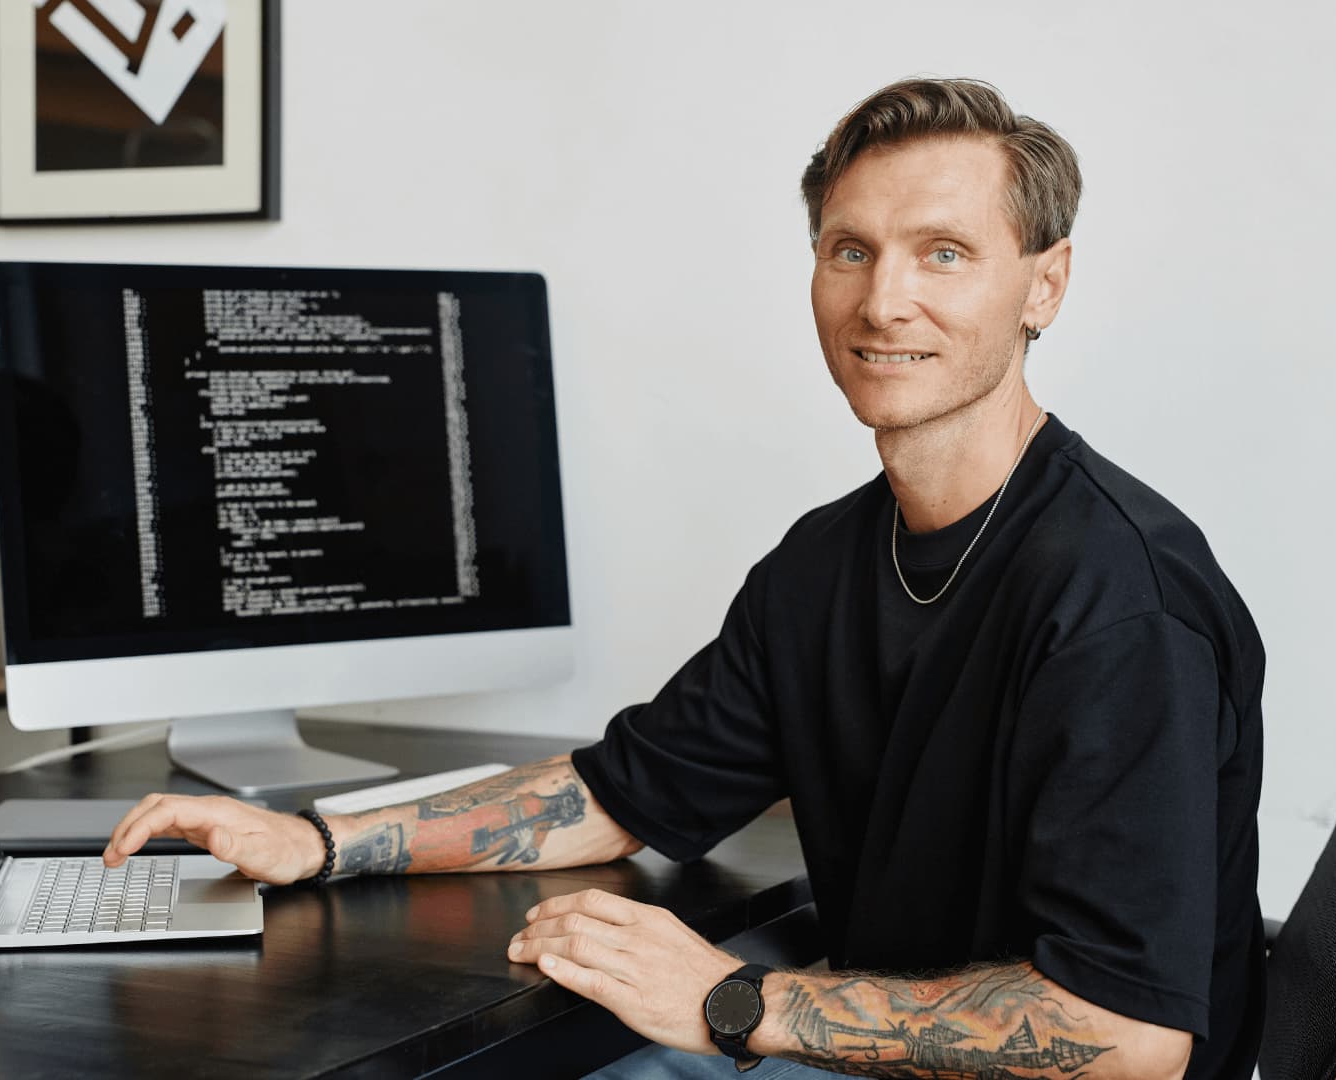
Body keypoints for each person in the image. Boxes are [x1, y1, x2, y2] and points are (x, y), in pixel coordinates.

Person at [103, 77, 1265, 1080]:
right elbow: (616, 795)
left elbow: (1127, 1038)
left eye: (945, 254)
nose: (882, 300)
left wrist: (734, 1003)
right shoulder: (825, 563)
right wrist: (320, 840)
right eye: (849, 250)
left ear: (1044, 287)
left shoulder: (1119, 603)